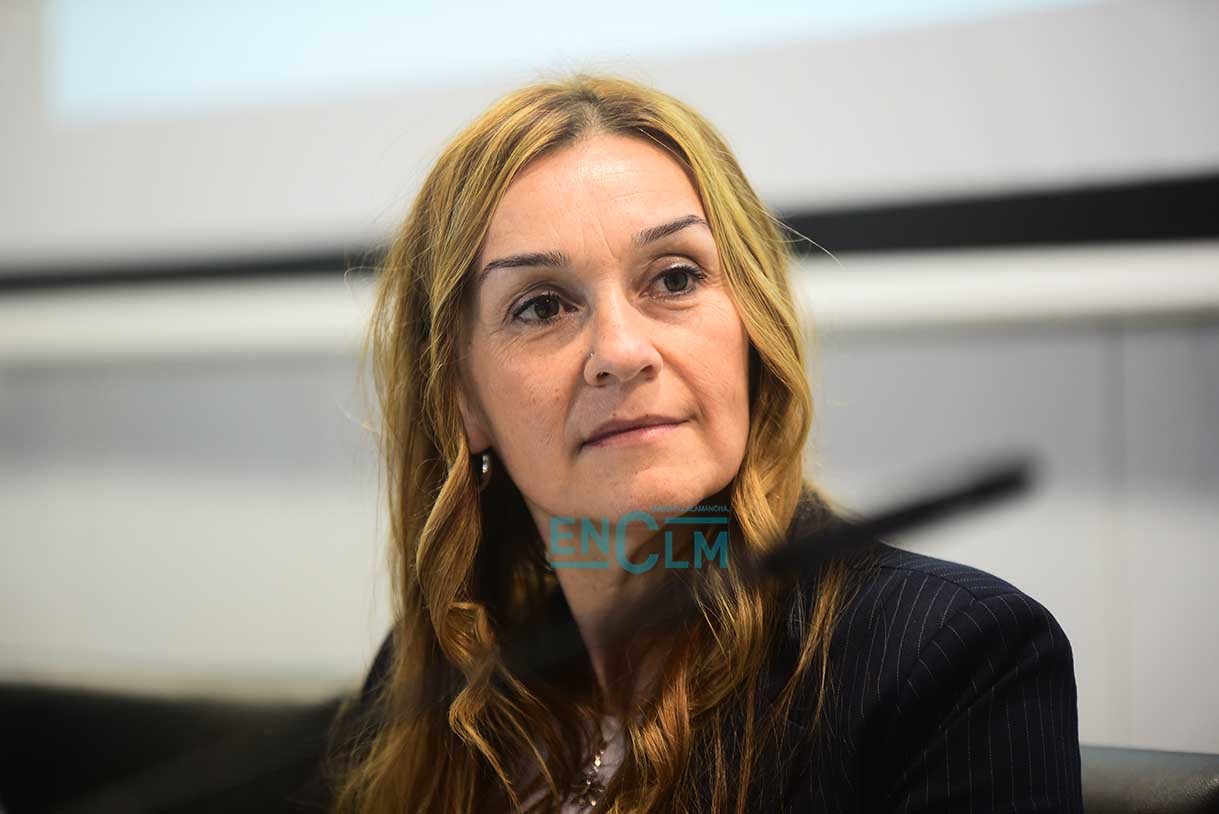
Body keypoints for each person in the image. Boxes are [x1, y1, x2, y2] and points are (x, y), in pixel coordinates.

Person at [322, 73, 1082, 813]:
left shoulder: (946, 658)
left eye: (675, 279)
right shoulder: (438, 688)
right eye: (542, 306)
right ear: (463, 398)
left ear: (753, 325)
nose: (621, 352)